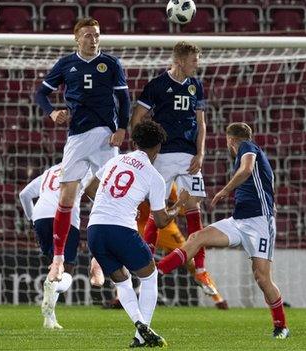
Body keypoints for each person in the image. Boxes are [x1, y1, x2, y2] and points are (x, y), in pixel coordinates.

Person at [157, 122, 290, 339]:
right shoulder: (249, 153)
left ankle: (281, 325)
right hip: (238, 222)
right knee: (197, 237)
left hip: (259, 224)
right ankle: (158, 271)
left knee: (262, 278)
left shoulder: (248, 147)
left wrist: (225, 190)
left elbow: (247, 169)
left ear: (231, 140)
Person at [35, 17, 131, 282]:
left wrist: (122, 128)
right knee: (66, 197)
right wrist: (52, 113)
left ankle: (99, 261)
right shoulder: (66, 64)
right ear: (77, 38)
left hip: (104, 137)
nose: (93, 39)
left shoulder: (111, 63)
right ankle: (57, 261)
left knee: (107, 199)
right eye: (88, 35)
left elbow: (123, 99)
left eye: (96, 34)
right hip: (77, 136)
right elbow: (40, 94)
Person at [85, 120, 181, 348]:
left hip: (95, 229)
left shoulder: (114, 160)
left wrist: (111, 205)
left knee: (123, 280)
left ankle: (139, 325)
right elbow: (159, 221)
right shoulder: (154, 176)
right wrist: (179, 207)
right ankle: (140, 336)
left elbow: (89, 189)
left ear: (135, 142)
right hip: (122, 230)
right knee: (149, 276)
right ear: (158, 148)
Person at [130, 41, 215, 294]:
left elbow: (201, 124)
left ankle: (200, 270)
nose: (196, 66)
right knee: (157, 209)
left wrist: (201, 152)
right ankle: (145, 266)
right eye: (193, 61)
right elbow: (137, 119)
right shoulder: (156, 86)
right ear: (179, 61)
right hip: (163, 156)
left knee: (194, 205)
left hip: (189, 156)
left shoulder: (195, 86)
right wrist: (142, 150)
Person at [19, 163, 91, 329]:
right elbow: (93, 190)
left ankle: (49, 320)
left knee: (54, 265)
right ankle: (52, 284)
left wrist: (31, 219)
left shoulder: (49, 171)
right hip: (66, 217)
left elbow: (24, 195)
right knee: (66, 270)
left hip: (40, 217)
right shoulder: (84, 168)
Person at [136, 183, 228, 310]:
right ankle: (127, 295)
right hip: (138, 225)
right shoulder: (137, 177)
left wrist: (181, 204)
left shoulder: (168, 184)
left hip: (165, 228)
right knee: (126, 256)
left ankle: (217, 298)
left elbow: (178, 211)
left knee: (189, 259)